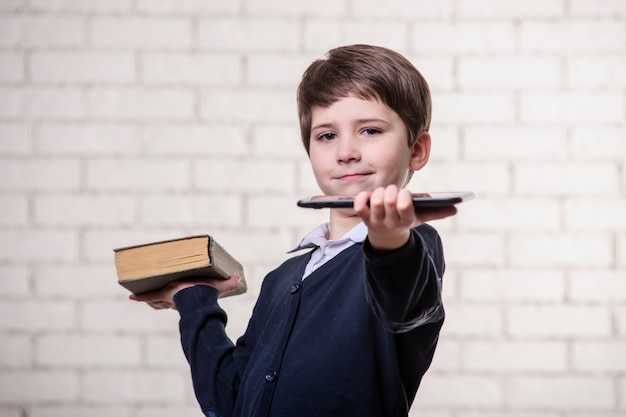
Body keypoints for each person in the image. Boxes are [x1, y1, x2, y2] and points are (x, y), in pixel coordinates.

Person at [130, 44, 457, 417]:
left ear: (417, 149)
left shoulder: (415, 246)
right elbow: (228, 402)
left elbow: (405, 305)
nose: (346, 151)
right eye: (327, 136)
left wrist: (390, 239)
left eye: (369, 130)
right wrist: (193, 300)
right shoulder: (282, 279)